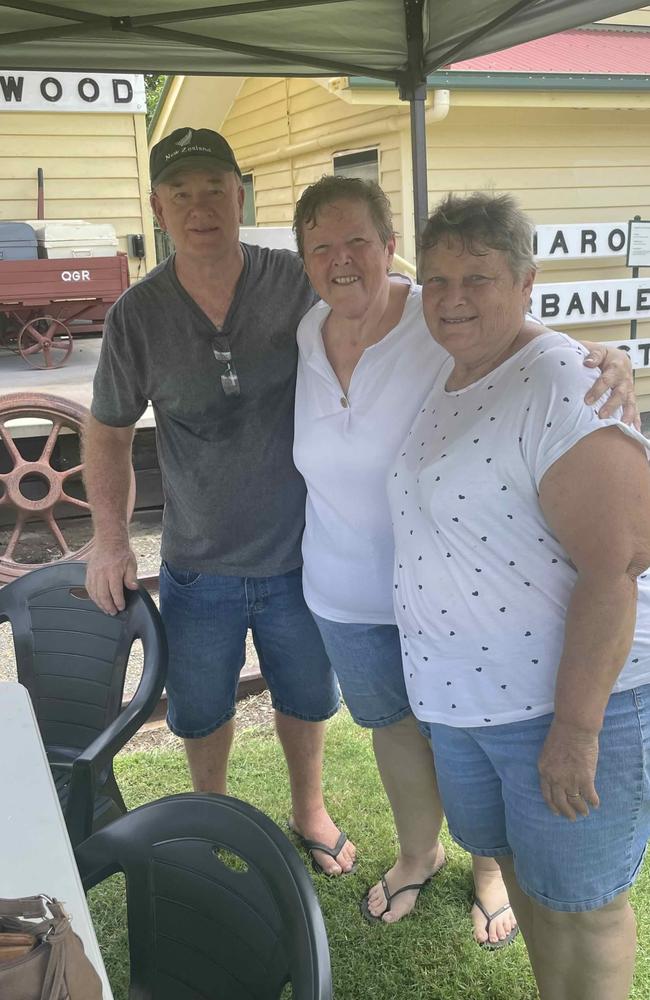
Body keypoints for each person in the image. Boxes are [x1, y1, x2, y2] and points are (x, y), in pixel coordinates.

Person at [291, 174, 639, 942]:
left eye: (359, 241)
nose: (342, 260)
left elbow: (523, 338)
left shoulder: (432, 313)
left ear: (390, 250)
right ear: (304, 260)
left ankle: (492, 873)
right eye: (321, 246)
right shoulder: (305, 331)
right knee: (397, 729)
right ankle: (422, 854)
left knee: (470, 743)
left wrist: (602, 360)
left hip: (465, 599)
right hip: (347, 592)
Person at [389, 190, 650, 998]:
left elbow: (619, 568)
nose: (453, 298)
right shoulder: (457, 370)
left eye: (478, 277)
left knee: (586, 906)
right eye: (436, 280)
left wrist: (575, 731)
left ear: (527, 280)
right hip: (469, 706)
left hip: (562, 709)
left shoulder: (565, 383)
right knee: (536, 890)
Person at [83, 127, 356, 877]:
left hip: (304, 554)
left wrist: (543, 344)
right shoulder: (136, 315)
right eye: (181, 192)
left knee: (306, 694)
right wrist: (109, 540)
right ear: (158, 208)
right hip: (197, 563)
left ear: (241, 196)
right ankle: (213, 814)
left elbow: (391, 305)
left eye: (214, 188)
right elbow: (105, 434)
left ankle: (309, 809)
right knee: (200, 709)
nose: (200, 206)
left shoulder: (297, 280)